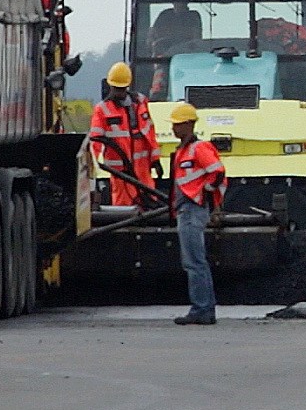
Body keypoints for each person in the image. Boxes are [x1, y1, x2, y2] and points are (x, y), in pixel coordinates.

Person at [169, 102, 225, 325]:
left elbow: (217, 172)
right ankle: (205, 308)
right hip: (187, 209)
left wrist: (205, 194)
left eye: (177, 124)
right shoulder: (184, 150)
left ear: (189, 125)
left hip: (193, 209)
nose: (173, 128)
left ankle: (201, 309)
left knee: (194, 262)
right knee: (195, 261)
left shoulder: (198, 148)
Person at [87, 63, 161, 207]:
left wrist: (155, 159)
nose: (119, 92)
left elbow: (149, 132)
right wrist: (90, 168)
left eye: (122, 89)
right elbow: (95, 141)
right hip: (120, 172)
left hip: (142, 168)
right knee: (123, 206)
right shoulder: (102, 110)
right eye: (116, 89)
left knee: (149, 203)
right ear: (110, 87)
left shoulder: (140, 102)